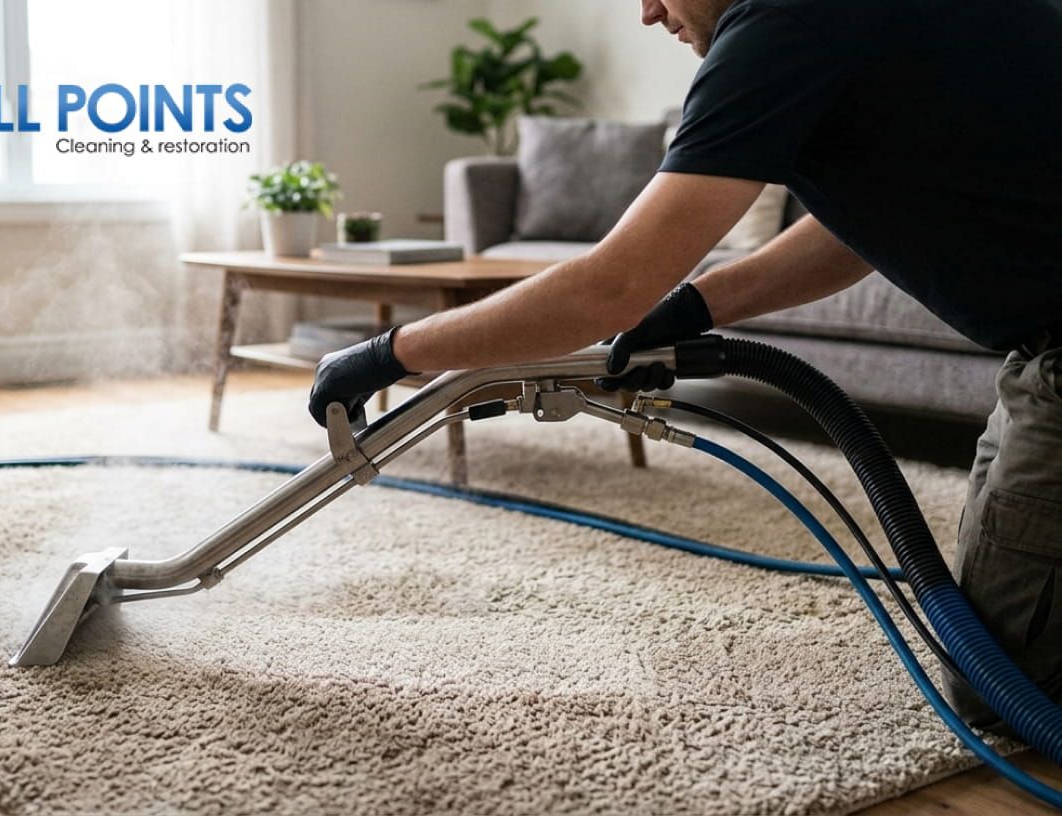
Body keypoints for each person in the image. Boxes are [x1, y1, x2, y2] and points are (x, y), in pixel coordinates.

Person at [307, 0, 1062, 731]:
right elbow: (863, 228)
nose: (647, 13)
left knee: (1003, 687)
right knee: (981, 627)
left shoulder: (781, 24)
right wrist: (696, 305)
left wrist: (391, 351)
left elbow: (608, 285)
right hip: (1037, 352)